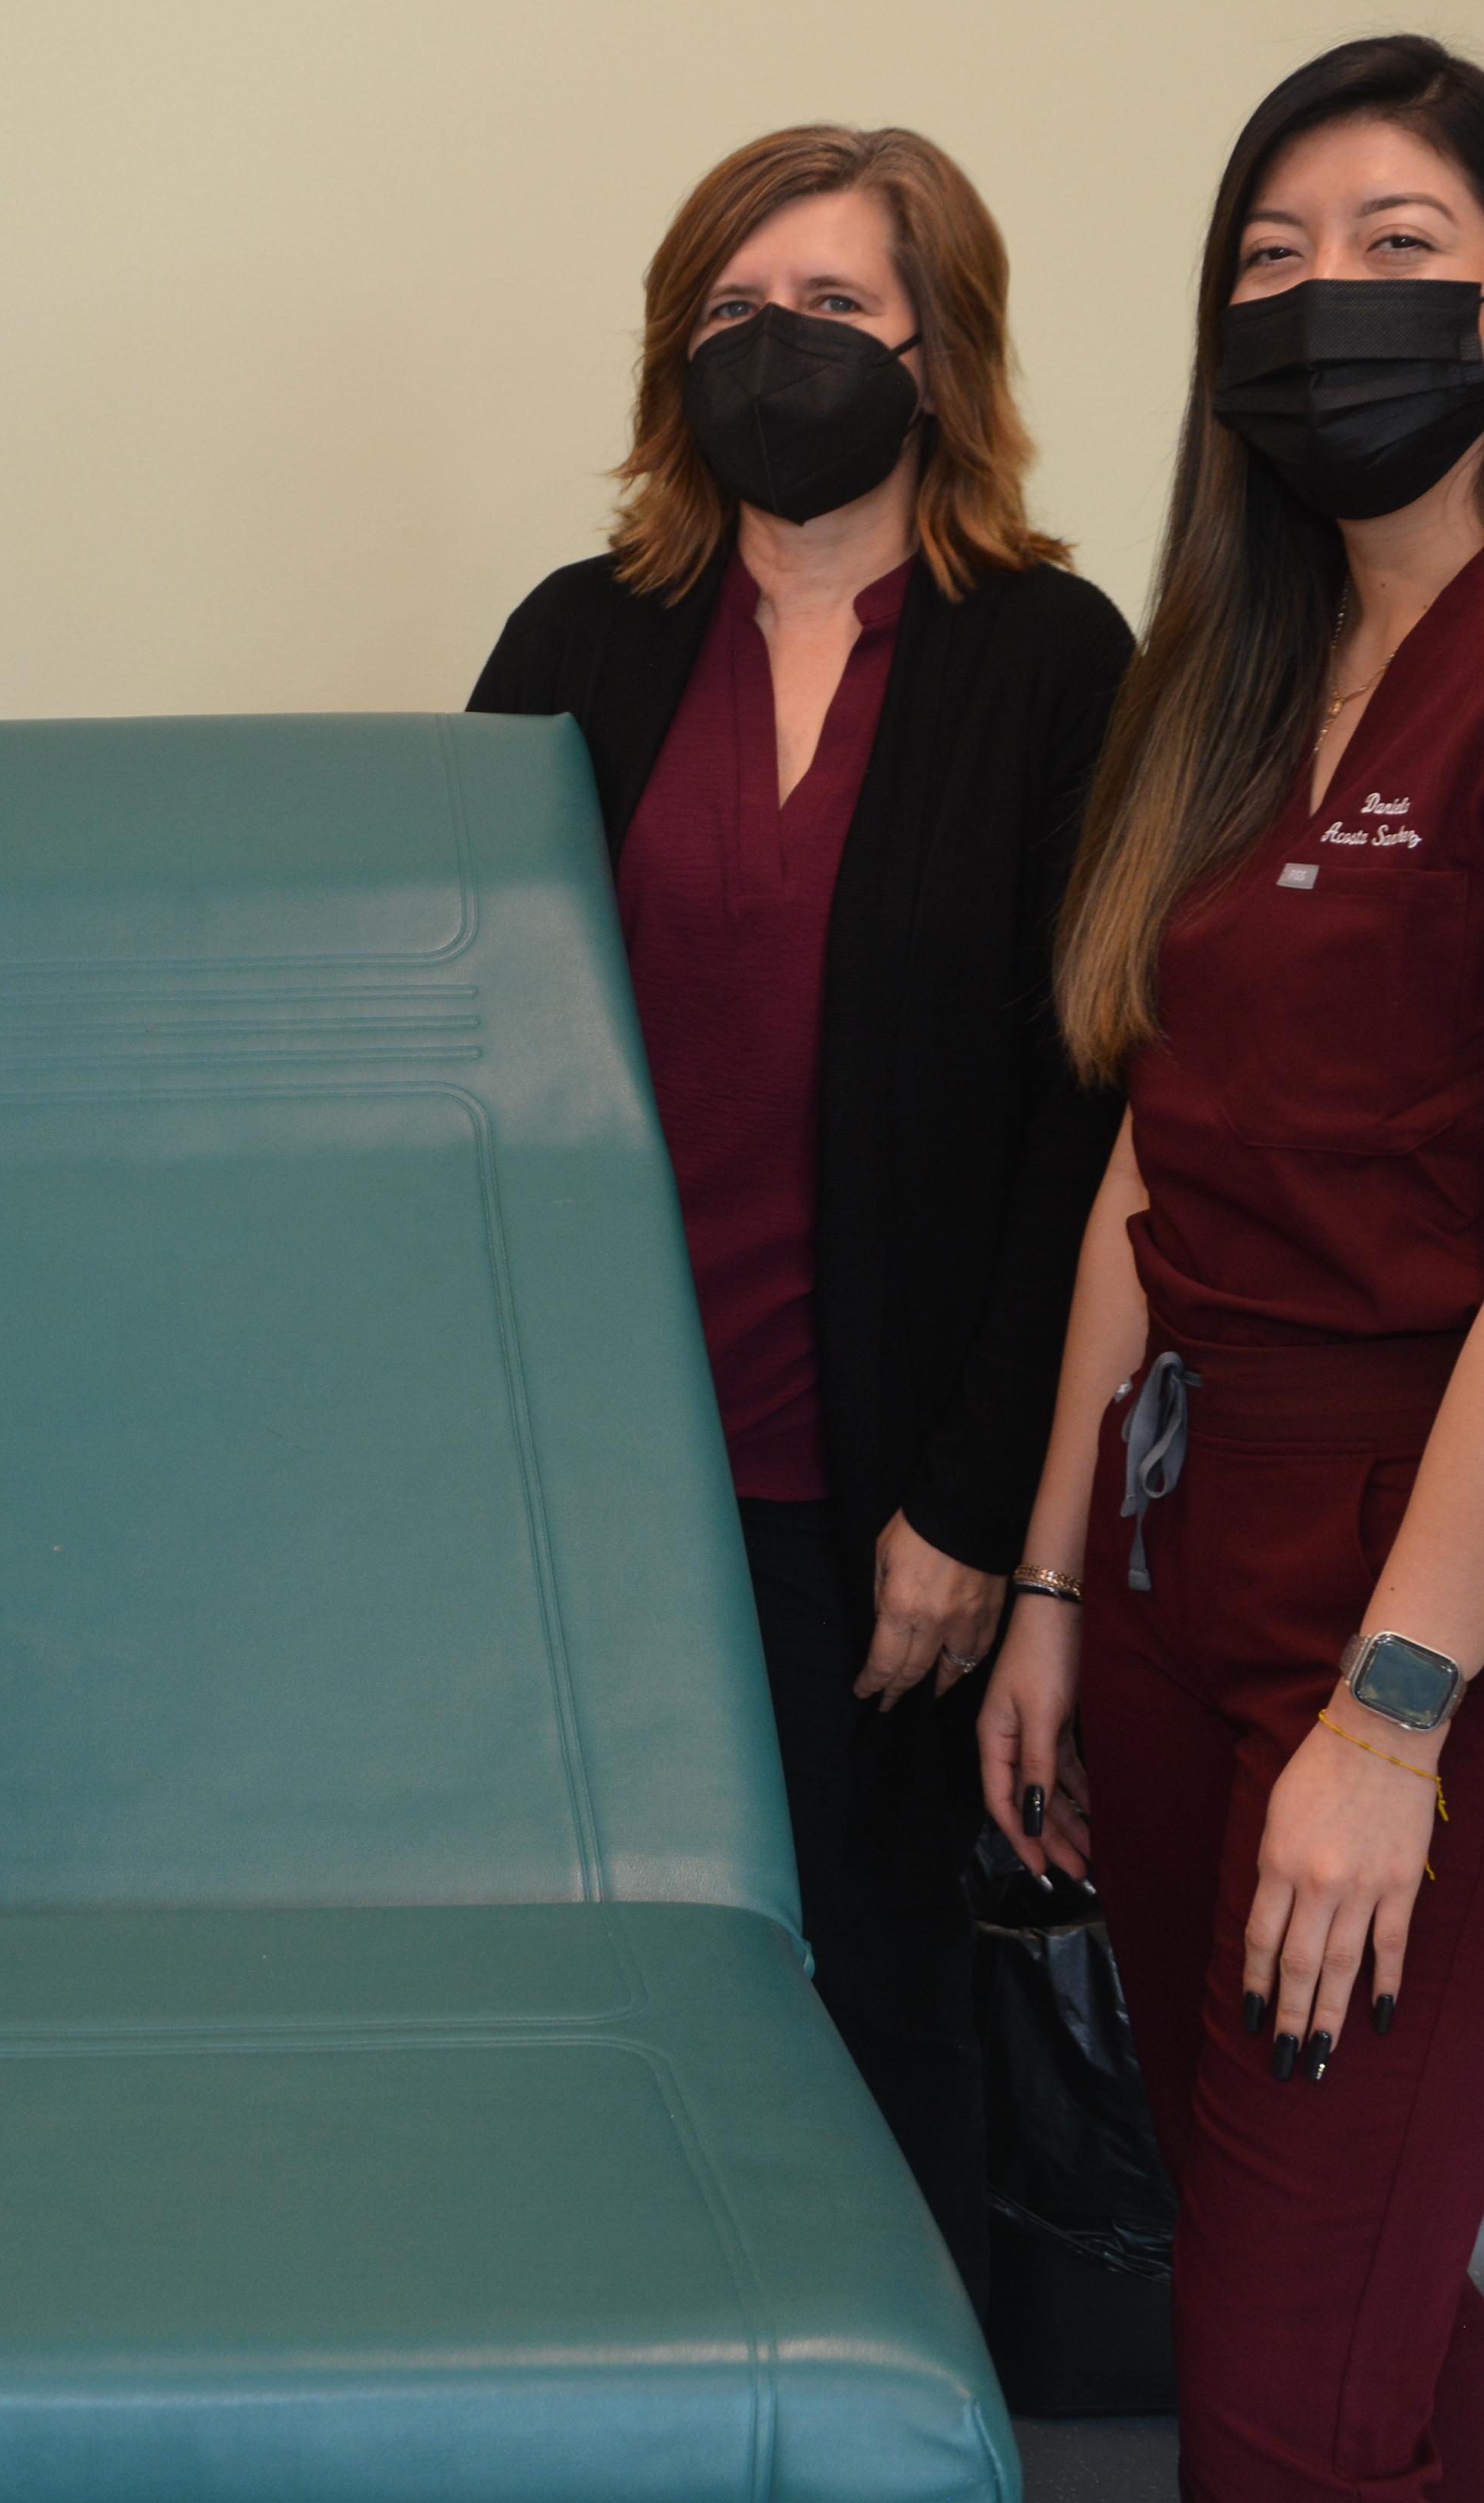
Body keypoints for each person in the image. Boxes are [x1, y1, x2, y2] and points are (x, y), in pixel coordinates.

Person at [977, 37, 1484, 2503]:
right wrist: (1048, 1576)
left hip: (1444, 1569)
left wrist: (1396, 1713)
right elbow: (1155, 1160)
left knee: (1275, 2392)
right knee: (1338, 2287)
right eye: (1271, 260)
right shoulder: (1238, 678)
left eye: (1399, 253)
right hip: (1174, 1521)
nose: (1326, 302)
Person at [470, 124, 1132, 2295]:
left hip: (884, 1497)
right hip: (603, 1462)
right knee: (618, 2000)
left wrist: (975, 1510)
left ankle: (888, 2432)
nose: (780, 350)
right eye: (734, 312)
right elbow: (457, 1033)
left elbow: (1079, 1127)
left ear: (935, 357)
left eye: (834, 309)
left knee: (877, 2003)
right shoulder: (581, 636)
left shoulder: (1043, 659)